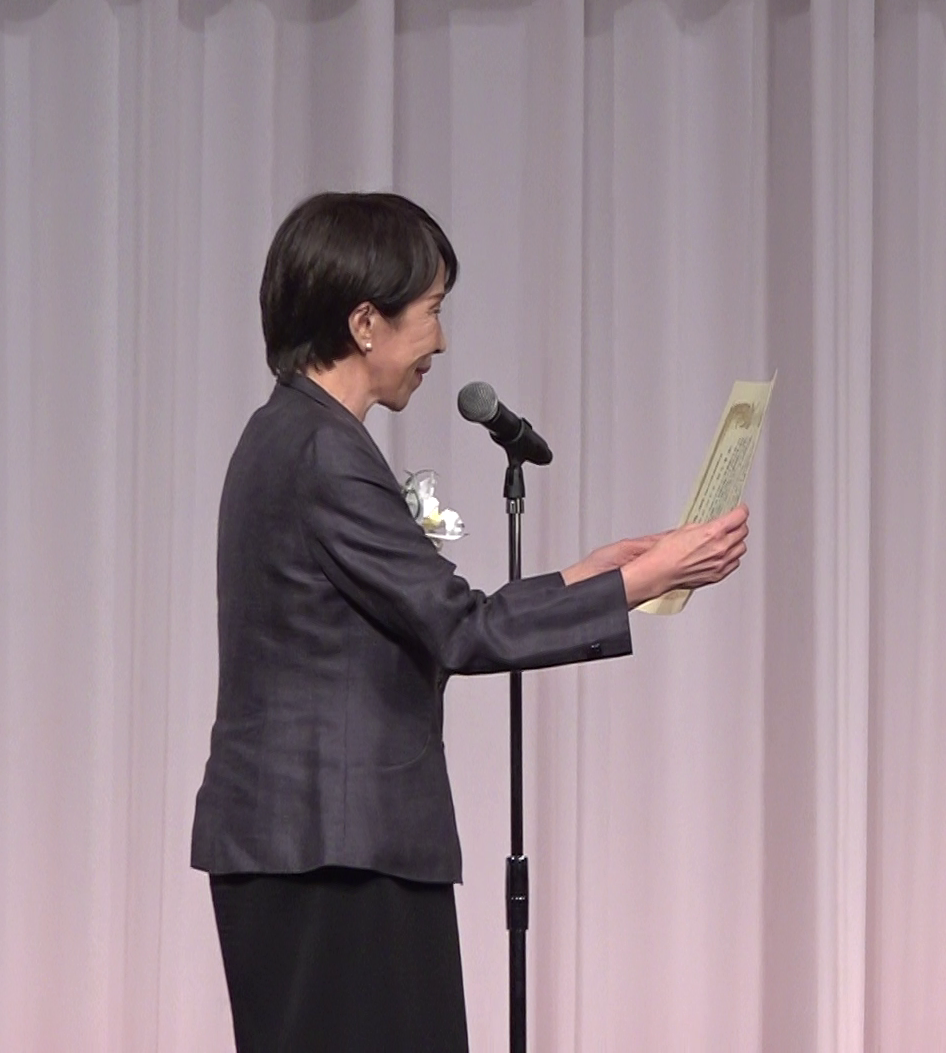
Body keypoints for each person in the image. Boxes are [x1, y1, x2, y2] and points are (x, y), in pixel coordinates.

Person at [189, 191, 749, 1052]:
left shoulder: (291, 435)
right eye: (431, 311)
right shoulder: (322, 451)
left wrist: (596, 573)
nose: (441, 343)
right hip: (333, 850)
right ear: (365, 322)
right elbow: (463, 630)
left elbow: (435, 612)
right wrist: (637, 583)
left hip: (317, 845)